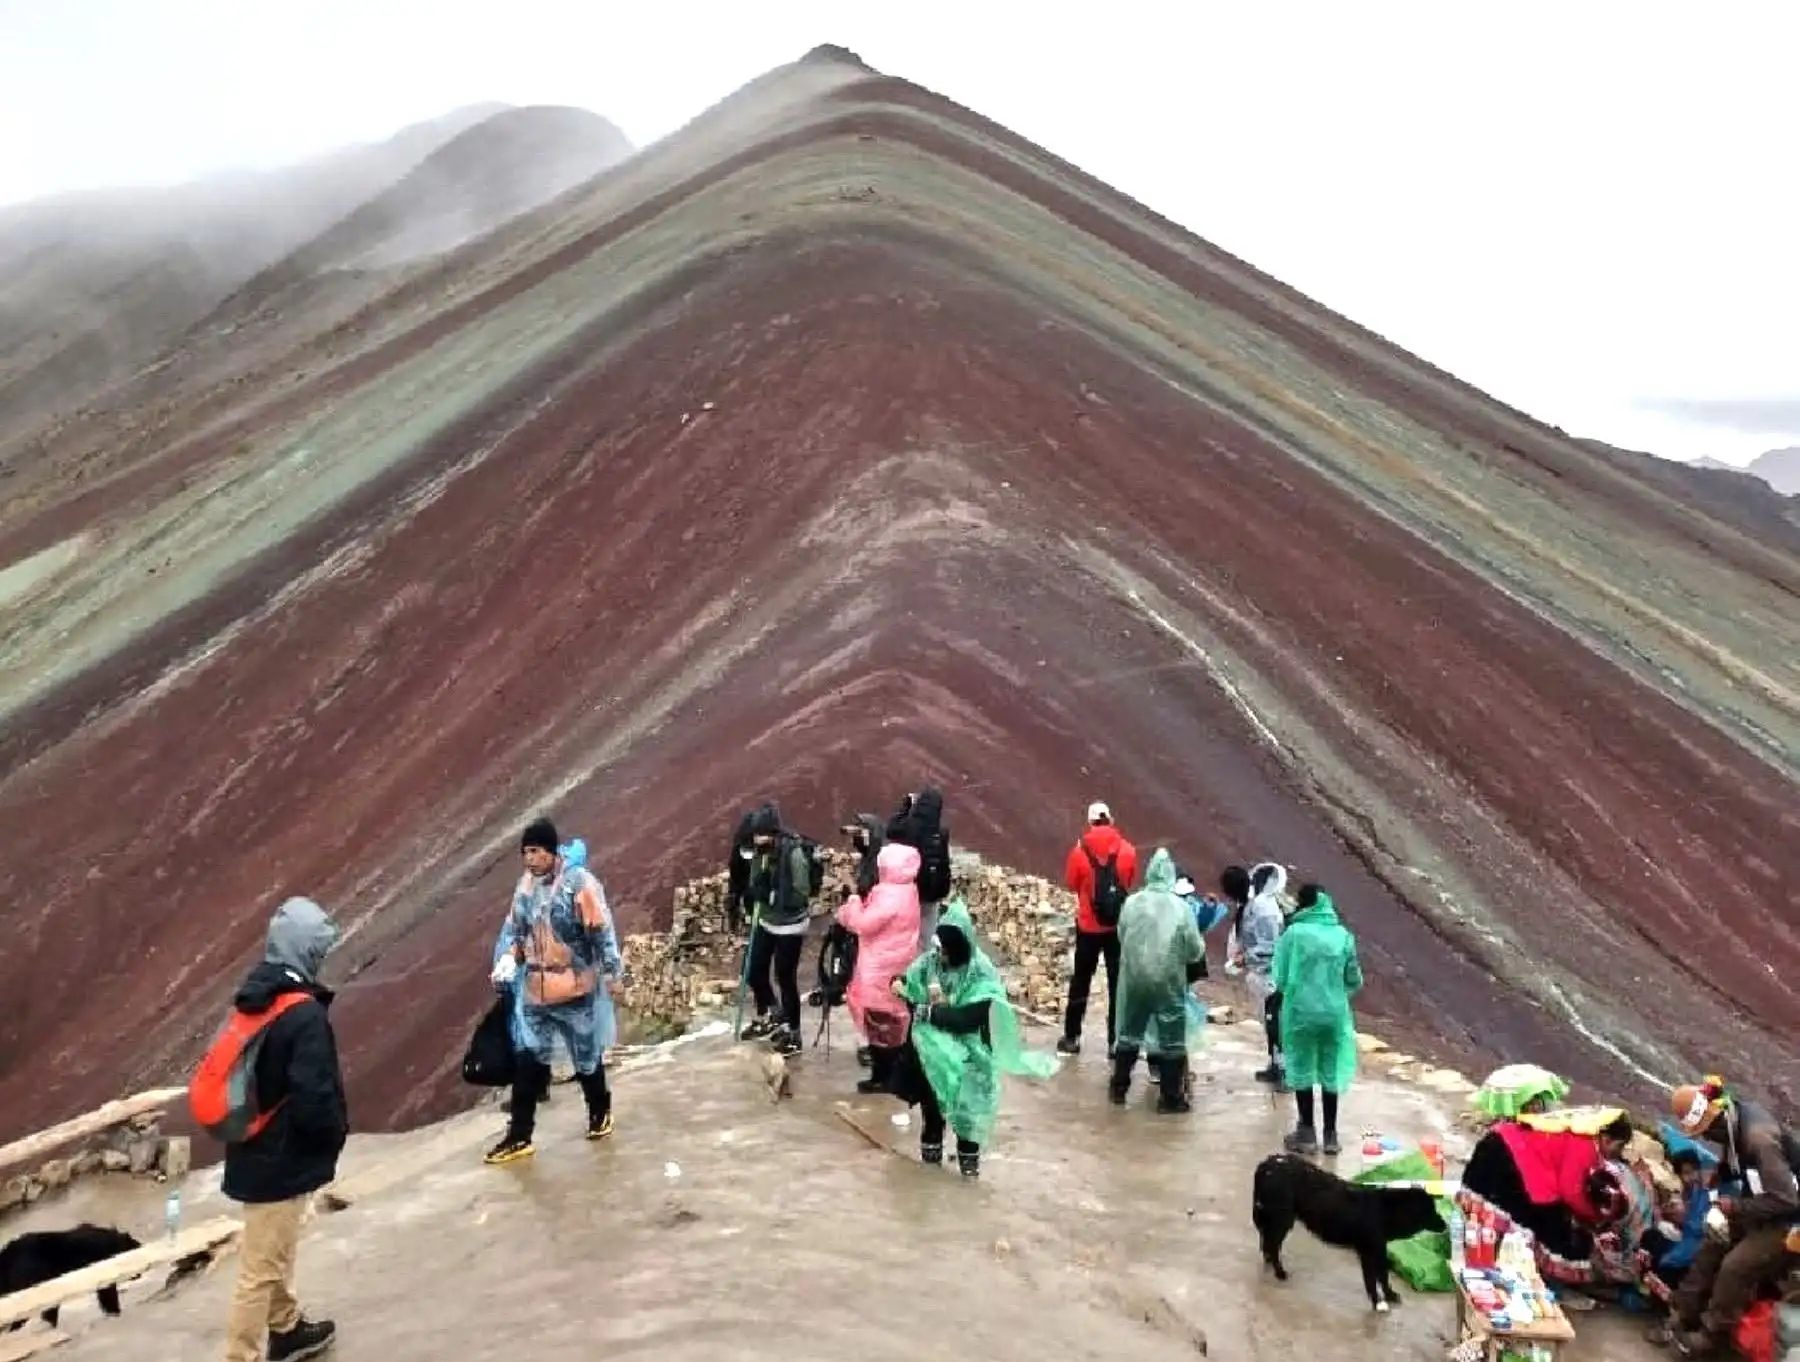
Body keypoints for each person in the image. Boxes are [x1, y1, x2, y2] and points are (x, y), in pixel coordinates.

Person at [221, 897, 347, 1362]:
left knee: (274, 1251)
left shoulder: (258, 999)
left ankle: (288, 1328)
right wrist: (331, 1137)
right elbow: (315, 1095)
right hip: (281, 1155)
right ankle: (242, 1355)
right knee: (259, 1268)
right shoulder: (303, 1014)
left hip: (255, 1148)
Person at [484, 817, 622, 1165]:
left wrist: (612, 972)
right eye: (525, 852)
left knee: (586, 1058)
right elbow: (518, 930)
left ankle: (599, 1112)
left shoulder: (579, 884)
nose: (529, 859)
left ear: (550, 850)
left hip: (575, 988)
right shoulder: (526, 887)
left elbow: (600, 931)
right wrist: (509, 960)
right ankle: (519, 1136)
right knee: (529, 1060)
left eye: (535, 851)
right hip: (536, 990)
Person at [889, 900, 1059, 1177]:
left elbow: (968, 1018)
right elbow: (907, 980)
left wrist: (928, 1012)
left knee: (968, 1120)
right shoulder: (931, 963)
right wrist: (897, 983)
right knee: (932, 1115)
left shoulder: (981, 973)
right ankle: (929, 1180)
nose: (939, 955)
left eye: (945, 951)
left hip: (971, 1057)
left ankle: (969, 1177)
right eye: (938, 949)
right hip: (932, 1059)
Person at [1654, 1077, 1800, 1357]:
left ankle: (1713, 1334)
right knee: (1713, 1241)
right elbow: (1741, 1164)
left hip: (1789, 1220)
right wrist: (1722, 1173)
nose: (1707, 1139)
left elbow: (1785, 1199)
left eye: (1708, 1132)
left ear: (1718, 1121)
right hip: (1762, 1204)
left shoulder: (1759, 1138)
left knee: (1736, 1266)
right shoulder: (1734, 1122)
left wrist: (1735, 1207)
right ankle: (1684, 1311)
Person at [1459, 1107, 1636, 1289]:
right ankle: (1533, 1278)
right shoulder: (1585, 1144)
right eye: (1619, 1146)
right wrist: (1592, 1217)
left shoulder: (1575, 1126)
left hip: (1500, 1143)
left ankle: (1484, 1258)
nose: (1618, 1153)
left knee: (1514, 1215)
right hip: (1512, 1158)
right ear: (1606, 1139)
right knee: (1549, 1226)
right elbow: (1571, 1191)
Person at [1111, 849, 1206, 1113]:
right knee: (1171, 1038)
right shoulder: (1181, 907)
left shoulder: (1132, 903)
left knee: (1129, 1033)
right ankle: (1170, 1097)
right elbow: (1194, 950)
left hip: (1134, 979)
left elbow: (1121, 935)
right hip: (1168, 980)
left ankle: (1118, 1088)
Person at [1271, 883, 1361, 1155]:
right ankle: (1331, 1136)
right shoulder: (1343, 936)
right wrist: (1333, 994)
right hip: (1334, 1013)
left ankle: (1307, 1133)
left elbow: (1281, 976)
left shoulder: (1294, 933)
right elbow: (1353, 978)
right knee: (1330, 1071)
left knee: (1302, 1068)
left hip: (1300, 1011)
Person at [836, 842, 922, 1094]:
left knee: (880, 1023)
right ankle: (894, 1073)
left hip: (879, 966)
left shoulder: (889, 895)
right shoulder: (908, 890)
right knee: (893, 1019)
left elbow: (862, 923)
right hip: (898, 962)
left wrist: (851, 902)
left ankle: (883, 1078)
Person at [1059, 801, 1138, 1056]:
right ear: (1110, 820)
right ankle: (1115, 1041)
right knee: (1118, 983)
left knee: (1081, 980)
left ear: (1091, 822)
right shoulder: (1127, 850)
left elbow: (1072, 883)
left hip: (1088, 926)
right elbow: (1128, 882)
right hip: (1116, 926)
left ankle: (1072, 1037)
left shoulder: (1079, 851)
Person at [734, 803, 813, 1055]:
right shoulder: (760, 852)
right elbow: (750, 878)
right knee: (754, 968)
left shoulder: (793, 854)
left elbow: (802, 893)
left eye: (761, 834)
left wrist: (769, 895)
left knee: (784, 977)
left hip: (790, 926)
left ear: (774, 832)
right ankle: (771, 1012)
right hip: (766, 921)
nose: (757, 840)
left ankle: (793, 1033)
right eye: (755, 835)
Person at [1229, 863, 1286, 1086]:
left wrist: (1247, 957)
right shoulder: (1255, 905)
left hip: (1272, 974)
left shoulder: (1266, 910)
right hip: (1261, 973)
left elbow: (1270, 945)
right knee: (1270, 1023)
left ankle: (1284, 1069)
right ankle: (1275, 1064)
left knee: (1278, 1023)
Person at [886, 786, 952, 953]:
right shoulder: (941, 831)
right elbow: (944, 861)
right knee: (927, 937)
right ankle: (925, 971)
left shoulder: (909, 827)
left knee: (904, 935)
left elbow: (891, 829)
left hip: (911, 891)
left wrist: (907, 807)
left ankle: (906, 972)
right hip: (933, 892)